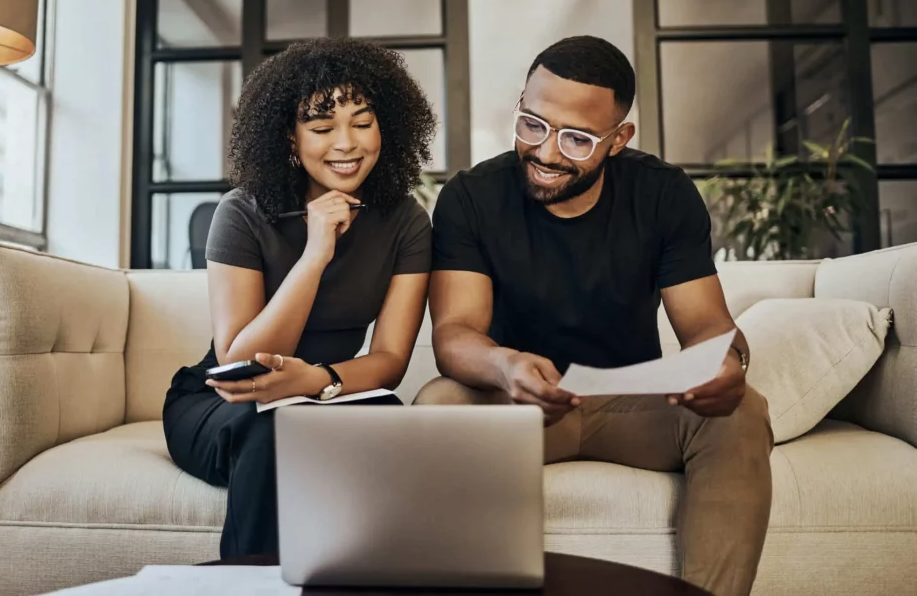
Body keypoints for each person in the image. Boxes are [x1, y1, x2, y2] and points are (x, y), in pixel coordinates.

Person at [415, 36, 773, 596]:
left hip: (633, 405)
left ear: (619, 138)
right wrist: (505, 365)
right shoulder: (471, 197)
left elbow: (706, 323)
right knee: (437, 402)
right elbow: (455, 334)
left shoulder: (663, 194)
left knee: (743, 409)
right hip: (517, 402)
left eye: (578, 139)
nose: (548, 153)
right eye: (532, 124)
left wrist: (727, 360)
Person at [163, 37, 437, 559]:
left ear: (388, 127)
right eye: (321, 128)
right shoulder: (241, 213)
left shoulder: (405, 220)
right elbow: (239, 360)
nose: (347, 143)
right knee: (279, 430)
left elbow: (390, 360)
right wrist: (315, 254)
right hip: (227, 400)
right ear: (290, 138)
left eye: (362, 122)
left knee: (392, 422)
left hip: (327, 391)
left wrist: (319, 380)